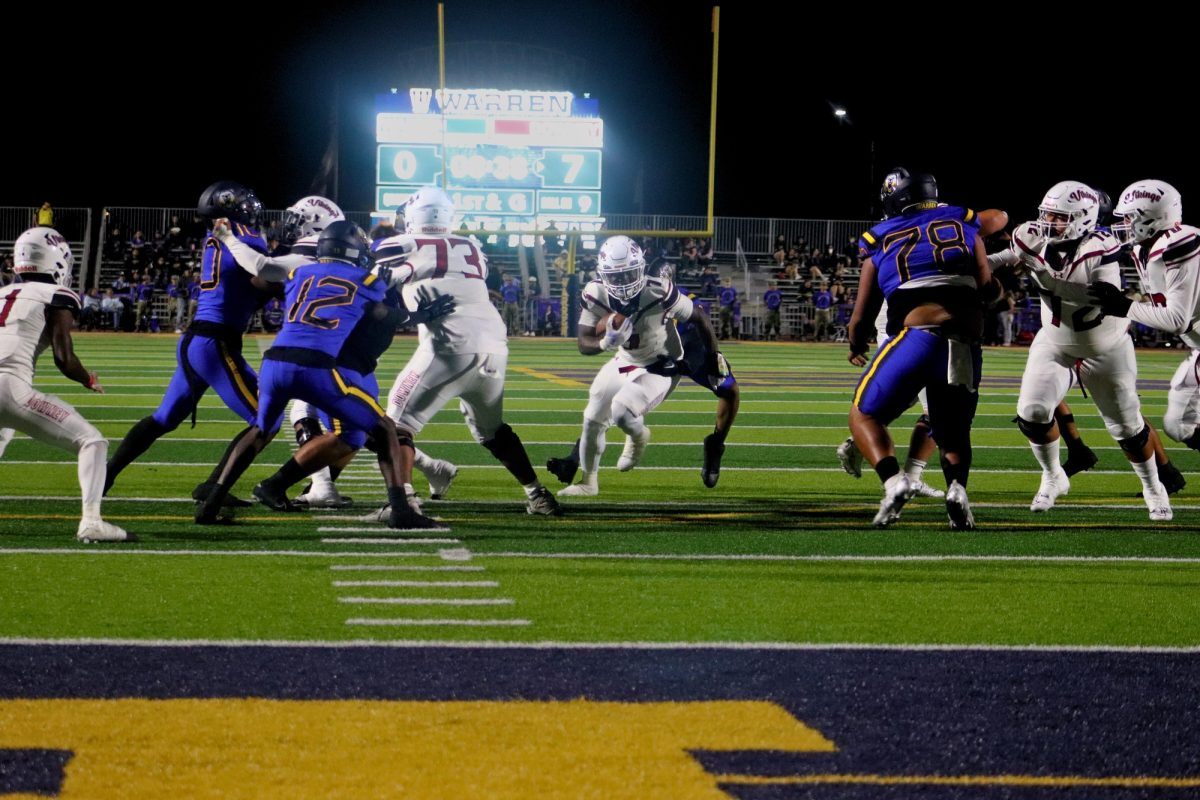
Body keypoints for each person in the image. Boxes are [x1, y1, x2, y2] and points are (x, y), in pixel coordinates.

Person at [193, 221, 443, 529]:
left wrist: (229, 239)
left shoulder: (299, 273)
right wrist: (421, 315)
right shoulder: (365, 279)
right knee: (385, 428)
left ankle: (210, 506)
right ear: (354, 251)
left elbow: (262, 272)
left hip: (274, 364)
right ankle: (402, 512)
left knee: (260, 430)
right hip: (316, 367)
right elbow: (385, 315)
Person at [374, 186, 561, 516]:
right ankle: (538, 494)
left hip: (448, 346)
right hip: (493, 348)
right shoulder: (471, 245)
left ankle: (404, 503)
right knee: (493, 431)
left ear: (415, 216)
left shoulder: (401, 244)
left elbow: (374, 278)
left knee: (396, 426)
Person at [992, 182, 1170, 520]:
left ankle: (1152, 486)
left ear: (1082, 219)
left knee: (1127, 427)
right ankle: (1052, 475)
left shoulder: (1102, 246)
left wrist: (1045, 279)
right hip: (1056, 341)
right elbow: (1005, 257)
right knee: (1031, 411)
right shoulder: (1035, 235)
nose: (1047, 222)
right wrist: (971, 265)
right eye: (1046, 213)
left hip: (1106, 345)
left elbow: (1097, 295)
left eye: (1057, 216)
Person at [846, 168, 1004, 529]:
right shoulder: (964, 224)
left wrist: (856, 343)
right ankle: (958, 491)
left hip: (917, 336)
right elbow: (987, 289)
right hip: (965, 342)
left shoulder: (880, 238)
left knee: (863, 415)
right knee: (952, 430)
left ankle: (894, 481)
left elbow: (861, 318)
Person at [104, 181, 275, 509]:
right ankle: (214, 488)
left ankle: (105, 477)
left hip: (197, 339)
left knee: (164, 418)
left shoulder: (216, 237)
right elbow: (264, 279)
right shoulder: (245, 236)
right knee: (266, 416)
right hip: (215, 341)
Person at [556, 236, 722, 497]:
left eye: (629, 274)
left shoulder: (659, 289)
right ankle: (589, 482)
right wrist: (605, 342)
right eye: (616, 276)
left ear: (641, 268)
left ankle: (638, 437)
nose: (622, 282)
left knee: (622, 410)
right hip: (625, 360)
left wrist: (714, 358)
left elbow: (699, 317)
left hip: (661, 364)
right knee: (592, 417)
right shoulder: (594, 292)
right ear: (603, 274)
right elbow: (583, 342)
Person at [0, 228, 129, 541]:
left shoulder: (1, 292)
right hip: (9, 386)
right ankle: (92, 521)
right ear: (57, 260)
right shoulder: (57, 295)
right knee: (92, 442)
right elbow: (64, 357)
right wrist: (88, 379)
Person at [1090, 180, 1200, 465]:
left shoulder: (1177, 245)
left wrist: (1124, 306)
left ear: (1151, 219)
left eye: (1129, 217)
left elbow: (1176, 319)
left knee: (1181, 424)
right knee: (1179, 426)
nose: (1124, 224)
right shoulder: (1145, 249)